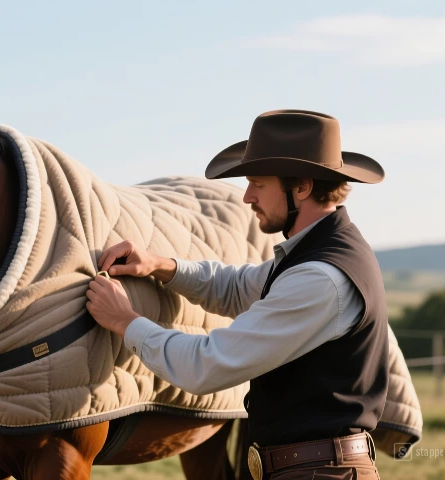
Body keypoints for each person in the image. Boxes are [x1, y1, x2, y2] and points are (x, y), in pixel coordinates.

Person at [86, 110, 388, 480]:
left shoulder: (319, 278)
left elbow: (207, 366)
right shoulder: (315, 254)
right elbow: (235, 287)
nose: (247, 197)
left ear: (302, 187)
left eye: (258, 184)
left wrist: (125, 321)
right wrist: (160, 265)